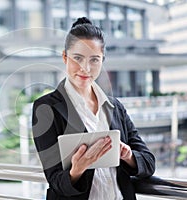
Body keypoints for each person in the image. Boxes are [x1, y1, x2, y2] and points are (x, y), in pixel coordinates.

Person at [32, 17, 155, 200]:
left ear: (102, 60)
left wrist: (128, 155)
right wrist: (77, 170)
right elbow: (55, 181)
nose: (85, 68)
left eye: (94, 60)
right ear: (65, 57)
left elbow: (148, 162)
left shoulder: (115, 107)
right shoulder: (46, 108)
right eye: (78, 58)